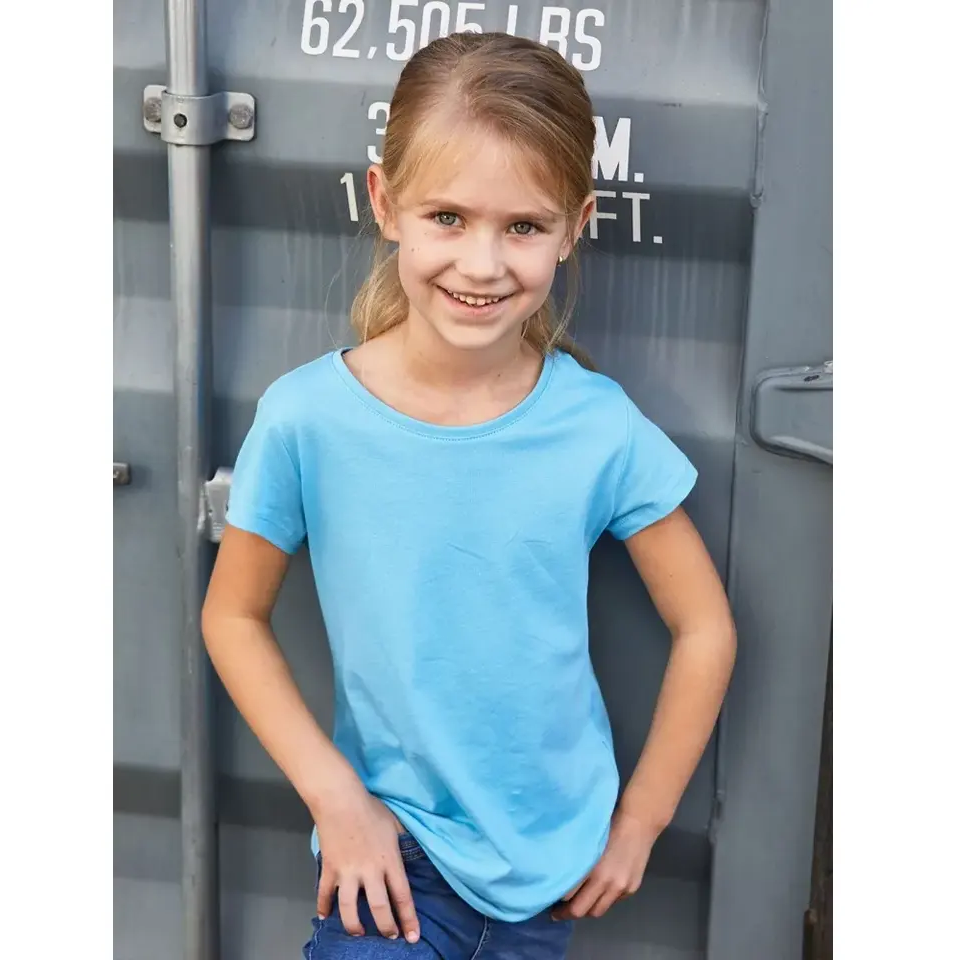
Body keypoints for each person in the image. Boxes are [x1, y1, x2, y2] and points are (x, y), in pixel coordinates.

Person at [202, 31, 737, 960]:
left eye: (522, 227)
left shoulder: (597, 425)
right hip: (390, 866)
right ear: (386, 203)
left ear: (574, 226)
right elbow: (232, 617)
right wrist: (338, 801)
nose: (482, 265)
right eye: (447, 216)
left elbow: (706, 628)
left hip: (550, 881)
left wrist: (641, 823)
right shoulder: (306, 418)